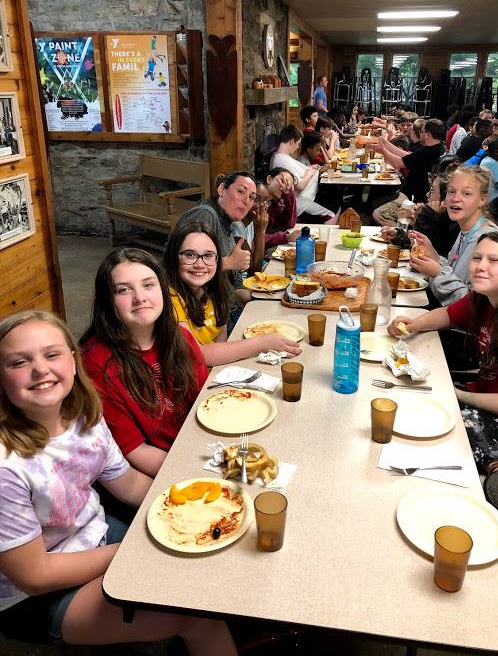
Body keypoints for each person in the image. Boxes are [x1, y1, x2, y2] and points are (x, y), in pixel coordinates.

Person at [0, 311, 235, 653]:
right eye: (19, 361)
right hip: (35, 596)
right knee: (198, 615)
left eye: (52, 354)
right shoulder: (6, 467)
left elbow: (127, 484)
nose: (40, 369)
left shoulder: (82, 416)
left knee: (207, 560)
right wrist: (134, 551)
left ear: (72, 359)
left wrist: (198, 504)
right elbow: (35, 576)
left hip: (97, 535)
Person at [388, 231, 498, 513]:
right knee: (417, 395)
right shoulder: (483, 299)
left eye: (494, 260)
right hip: (489, 393)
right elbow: (449, 315)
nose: (480, 265)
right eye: (477, 257)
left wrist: (459, 396)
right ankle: (496, 464)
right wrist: (415, 324)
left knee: (441, 434)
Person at [81, 249, 207, 477]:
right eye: (123, 290)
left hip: (197, 450)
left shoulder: (180, 337)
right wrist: (198, 473)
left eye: (148, 285)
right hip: (156, 474)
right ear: (107, 301)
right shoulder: (97, 364)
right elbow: (136, 451)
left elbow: (205, 405)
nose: (139, 297)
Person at [163, 222, 301, 365]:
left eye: (208, 255)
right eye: (190, 255)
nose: (200, 264)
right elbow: (196, 355)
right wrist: (261, 343)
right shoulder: (169, 297)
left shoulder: (213, 289)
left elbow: (221, 340)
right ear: (174, 257)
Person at [408, 165, 498, 306]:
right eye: (451, 191)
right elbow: (455, 275)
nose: (455, 198)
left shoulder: (489, 242)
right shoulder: (466, 231)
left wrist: (438, 274)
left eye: (466, 193)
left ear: (483, 199)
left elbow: (477, 307)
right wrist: (434, 257)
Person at [173, 171, 257, 283]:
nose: (246, 201)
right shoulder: (205, 215)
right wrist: (230, 262)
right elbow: (178, 265)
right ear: (221, 189)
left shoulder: (227, 220)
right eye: (241, 191)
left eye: (252, 197)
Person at [379, 159, 459, 258]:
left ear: (444, 198)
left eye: (432, 190)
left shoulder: (455, 226)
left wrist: (424, 217)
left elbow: (422, 253)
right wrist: (398, 236)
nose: (427, 195)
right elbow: (418, 242)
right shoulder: (441, 218)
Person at [270, 124, 338, 223]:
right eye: (298, 144)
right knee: (331, 213)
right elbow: (300, 186)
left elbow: (297, 170)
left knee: (333, 199)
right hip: (299, 200)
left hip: (298, 198)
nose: (298, 147)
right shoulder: (283, 160)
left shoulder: (278, 156)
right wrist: (309, 173)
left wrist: (310, 168)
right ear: (292, 141)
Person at [373, 118, 446, 203]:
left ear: (427, 135)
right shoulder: (439, 148)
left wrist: (382, 150)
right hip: (417, 194)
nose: (420, 134)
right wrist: (386, 143)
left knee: (376, 208)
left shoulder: (427, 152)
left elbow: (398, 163)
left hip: (413, 199)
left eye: (422, 132)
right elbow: (409, 156)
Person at [263, 167, 298, 247]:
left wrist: (289, 195)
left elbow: (289, 224)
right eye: (282, 181)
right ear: (269, 179)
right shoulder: (257, 202)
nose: (284, 187)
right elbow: (255, 239)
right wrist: (286, 237)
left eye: (289, 186)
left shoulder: (274, 203)